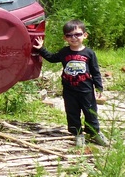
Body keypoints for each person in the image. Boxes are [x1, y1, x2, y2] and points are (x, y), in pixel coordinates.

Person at [33, 19, 108, 148]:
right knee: (72, 113)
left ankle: (94, 133)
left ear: (85, 35)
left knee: (91, 112)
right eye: (69, 35)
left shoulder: (89, 53)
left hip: (86, 90)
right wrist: (41, 49)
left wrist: (99, 87)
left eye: (77, 34)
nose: (74, 38)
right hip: (69, 91)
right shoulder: (64, 52)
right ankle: (78, 134)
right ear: (65, 38)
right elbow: (51, 58)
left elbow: (95, 71)